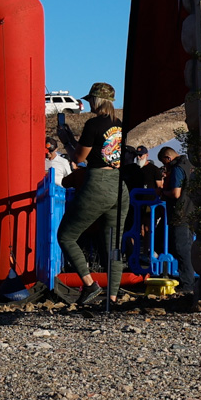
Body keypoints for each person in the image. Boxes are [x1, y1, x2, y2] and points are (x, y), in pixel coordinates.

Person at [56, 82, 129, 305]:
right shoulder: (119, 124)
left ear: (96, 101)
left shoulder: (93, 124)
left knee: (66, 236)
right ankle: (113, 297)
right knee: (113, 245)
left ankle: (90, 284)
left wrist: (67, 140)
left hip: (98, 183)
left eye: (90, 101)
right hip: (120, 185)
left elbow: (78, 158)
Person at [159, 146, 195, 294]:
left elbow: (175, 193)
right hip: (192, 211)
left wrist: (162, 192)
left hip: (180, 213)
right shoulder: (191, 165)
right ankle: (190, 281)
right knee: (188, 248)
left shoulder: (178, 168)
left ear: (168, 159)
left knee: (181, 248)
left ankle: (187, 284)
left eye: (165, 163)